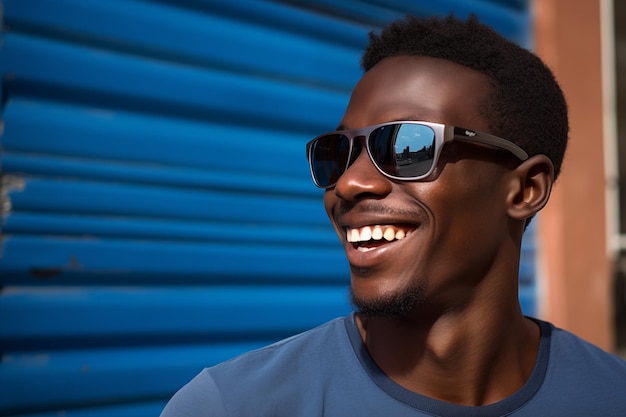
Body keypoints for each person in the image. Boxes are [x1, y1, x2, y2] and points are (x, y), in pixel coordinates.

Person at [161, 15, 626, 416]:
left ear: (525, 189)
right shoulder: (232, 407)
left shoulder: (612, 398)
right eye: (336, 152)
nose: (349, 183)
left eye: (407, 146)